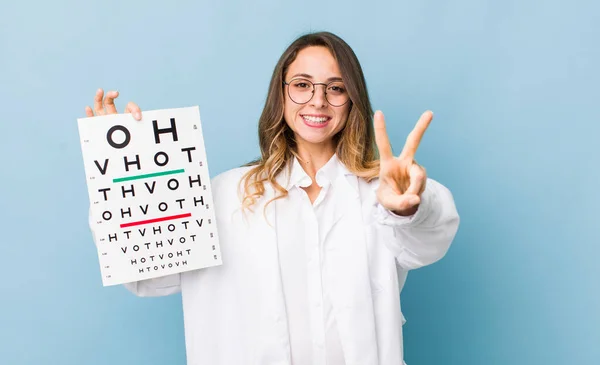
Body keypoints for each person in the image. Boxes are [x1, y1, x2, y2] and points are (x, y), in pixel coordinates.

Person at [84, 31, 460, 365]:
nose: (318, 101)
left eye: (336, 87)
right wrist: (125, 174)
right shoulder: (224, 194)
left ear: (351, 100)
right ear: (280, 95)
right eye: (302, 84)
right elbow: (149, 276)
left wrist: (410, 206)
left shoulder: (379, 194)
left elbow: (429, 240)